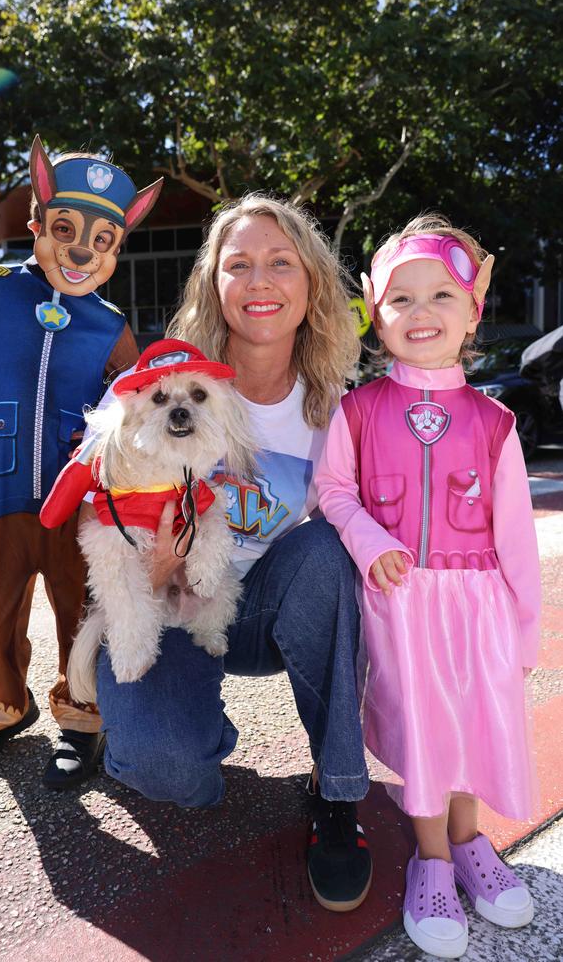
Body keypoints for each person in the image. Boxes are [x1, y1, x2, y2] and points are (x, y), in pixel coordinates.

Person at [83, 194, 373, 912]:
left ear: (311, 283)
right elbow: (106, 522)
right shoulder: (163, 388)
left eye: (281, 262)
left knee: (328, 548)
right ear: (214, 283)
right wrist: (156, 566)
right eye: (237, 264)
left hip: (274, 609)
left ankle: (335, 792)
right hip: (174, 602)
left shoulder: (342, 405)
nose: (259, 281)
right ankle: (184, 723)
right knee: (170, 772)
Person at [315, 214, 540, 958]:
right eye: (400, 299)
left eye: (441, 294)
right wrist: (368, 537)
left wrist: (523, 626)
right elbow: (334, 490)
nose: (421, 313)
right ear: (375, 316)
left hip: (477, 606)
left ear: (474, 311)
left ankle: (473, 844)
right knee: (425, 727)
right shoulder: (358, 409)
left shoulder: (496, 421)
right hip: (402, 607)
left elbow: (514, 536)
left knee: (474, 722)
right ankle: (432, 858)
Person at [0, 135, 162, 789]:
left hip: (77, 502)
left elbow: (136, 404)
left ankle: (81, 724)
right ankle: (3, 711)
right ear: (37, 227)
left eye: (102, 239)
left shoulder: (109, 325)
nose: (82, 249)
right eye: (65, 229)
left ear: (115, 249)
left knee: (80, 613)